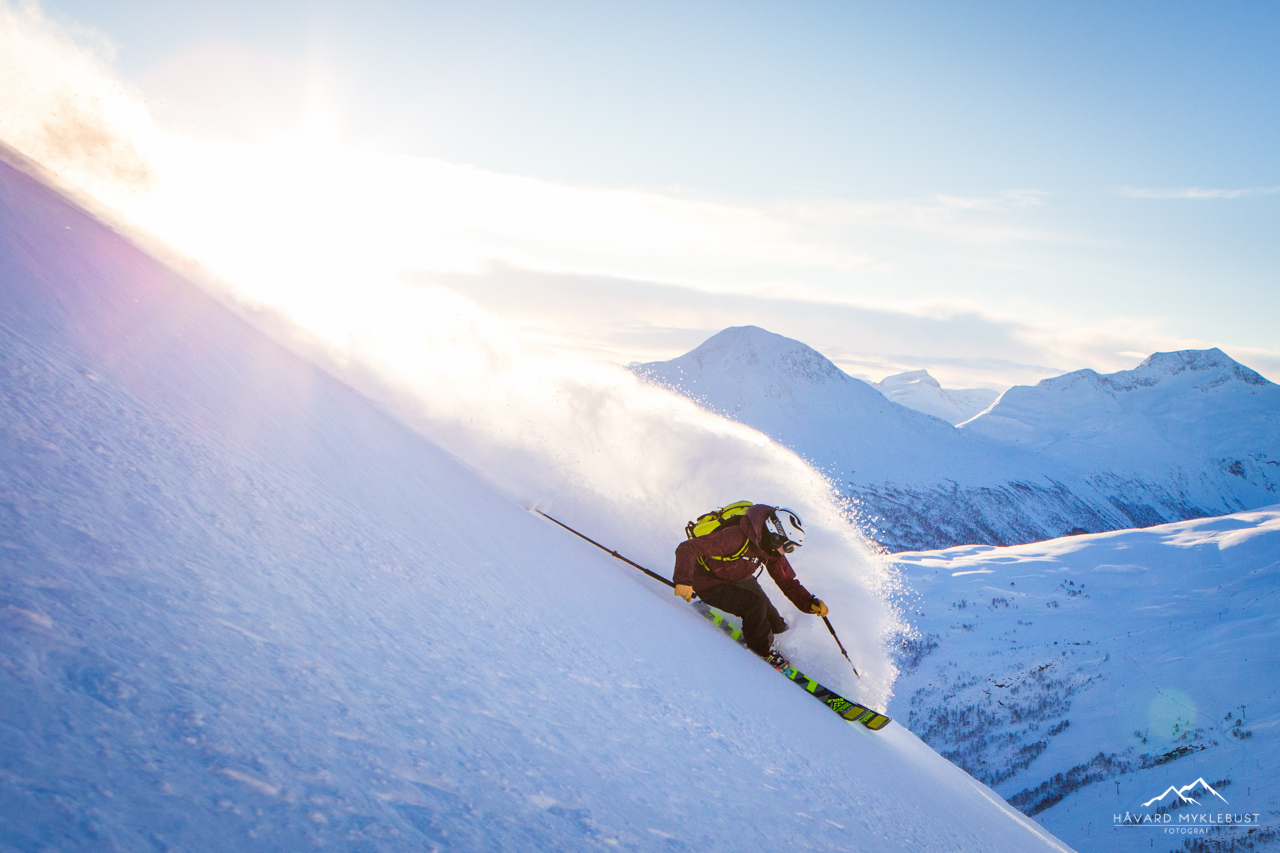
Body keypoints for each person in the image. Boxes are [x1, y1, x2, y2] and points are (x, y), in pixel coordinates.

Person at [672, 504, 829, 661]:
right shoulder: (734, 537)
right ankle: (762, 651)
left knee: (777, 624)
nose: (788, 551)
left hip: (738, 576)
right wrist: (683, 580)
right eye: (789, 546)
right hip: (709, 582)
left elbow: (787, 581)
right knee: (755, 605)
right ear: (776, 536)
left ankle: (776, 640)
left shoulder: (769, 548)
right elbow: (688, 548)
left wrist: (808, 602)